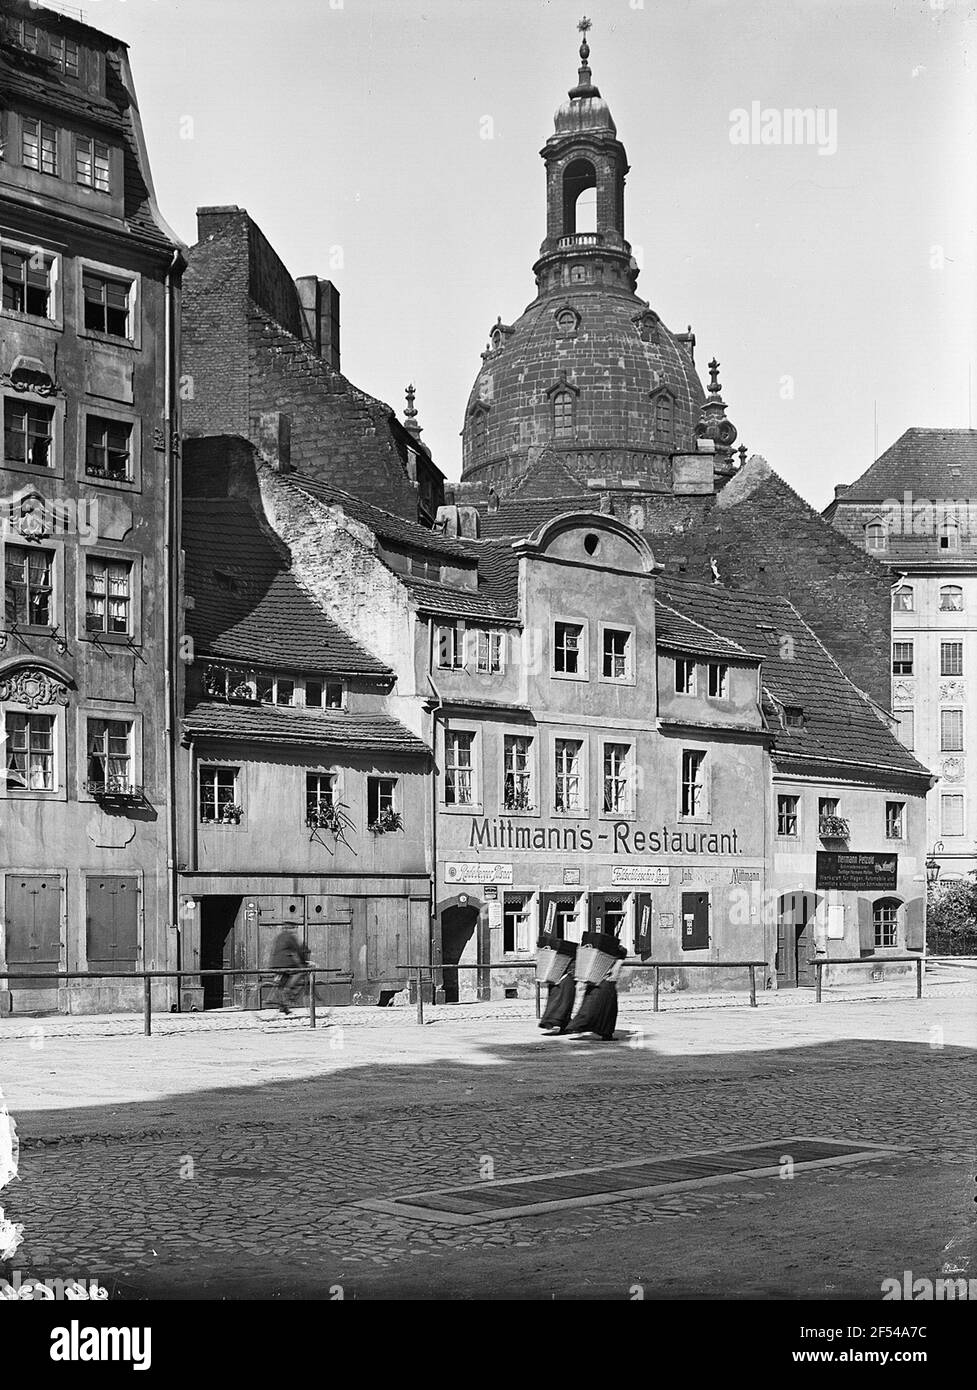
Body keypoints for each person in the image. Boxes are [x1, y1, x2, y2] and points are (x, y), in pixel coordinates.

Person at [565, 957, 624, 1041]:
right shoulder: (614, 951)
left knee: (592, 1003)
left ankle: (579, 1025)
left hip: (596, 977)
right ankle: (604, 1032)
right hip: (605, 980)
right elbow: (617, 961)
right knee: (608, 1007)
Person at [269, 929, 309, 1015]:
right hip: (285, 963)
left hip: (275, 963)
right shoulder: (290, 937)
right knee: (300, 972)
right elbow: (297, 950)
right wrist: (303, 963)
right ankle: (289, 989)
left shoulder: (279, 936)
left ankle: (283, 1007)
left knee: (281, 984)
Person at [538, 963, 575, 1034]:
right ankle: (553, 1020)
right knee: (564, 999)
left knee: (560, 998)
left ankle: (561, 1023)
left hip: (558, 971)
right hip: (564, 972)